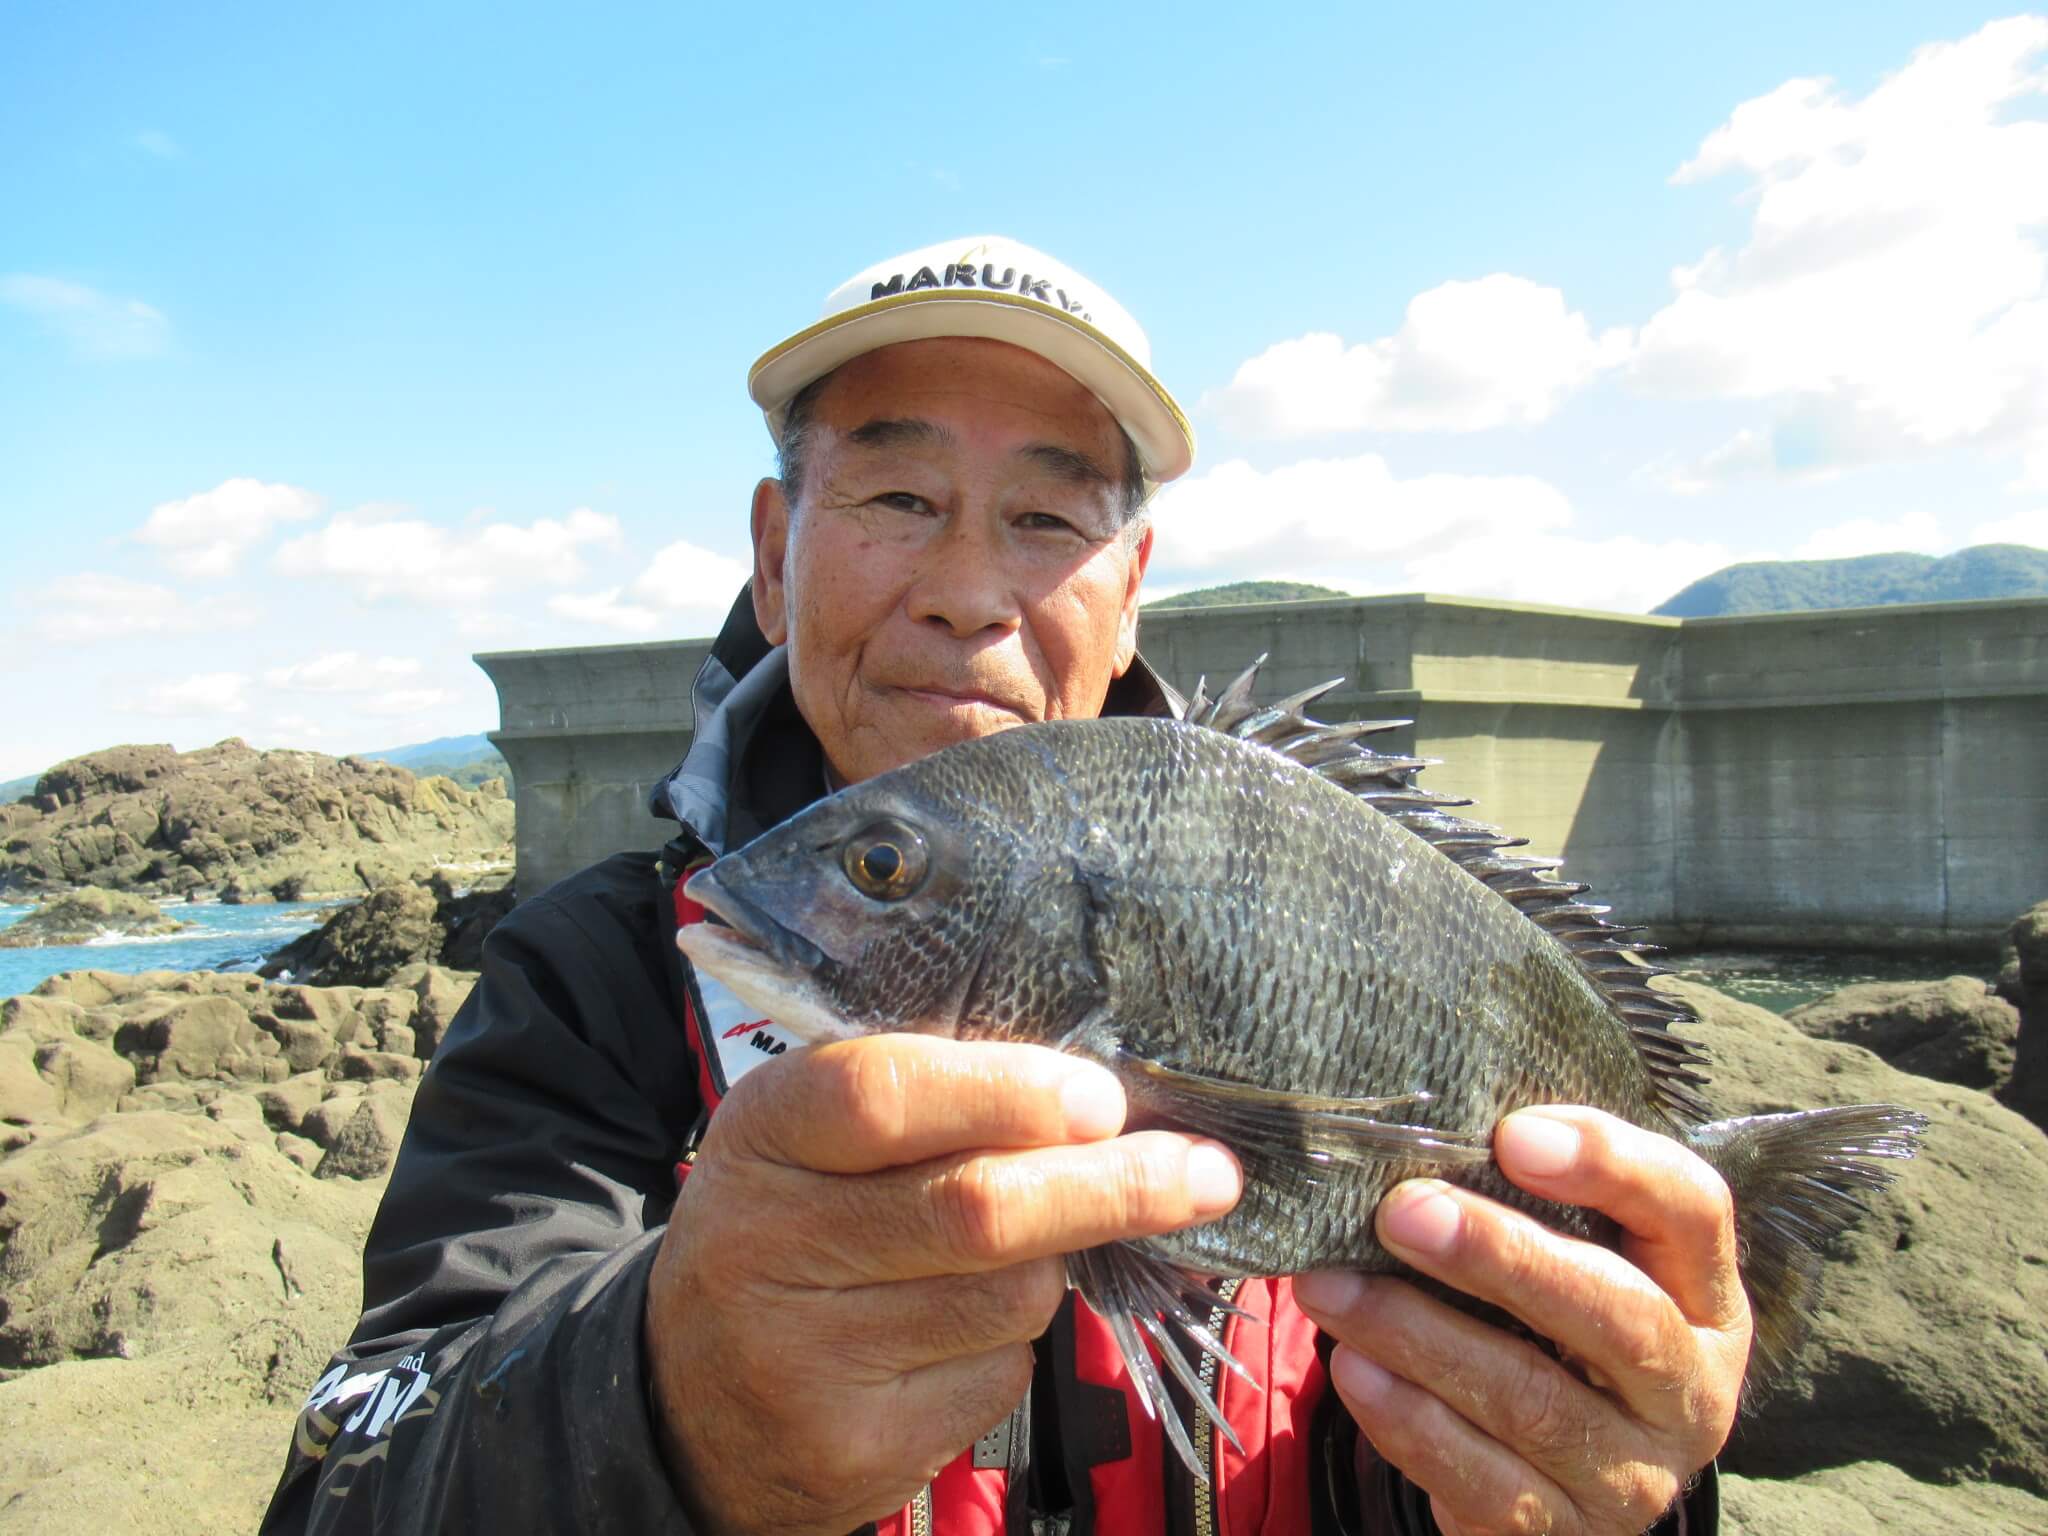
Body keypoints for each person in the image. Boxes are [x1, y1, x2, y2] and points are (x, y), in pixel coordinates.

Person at [261, 236, 1743, 1536]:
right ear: (774, 556)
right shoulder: (587, 990)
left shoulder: (1268, 859)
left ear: (1130, 585)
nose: (970, 589)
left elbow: (1504, 1438)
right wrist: (658, 1410)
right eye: (899, 494)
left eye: (1045, 520)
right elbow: (353, 1473)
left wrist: (1609, 1477)